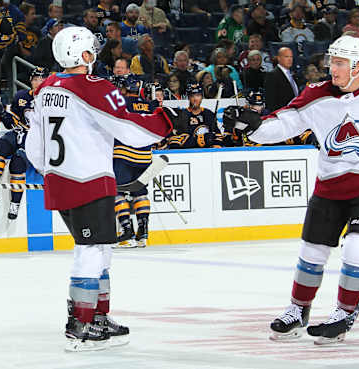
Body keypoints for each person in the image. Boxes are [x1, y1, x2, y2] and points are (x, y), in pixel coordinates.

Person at [223, 35, 359, 343]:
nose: (333, 69)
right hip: (329, 187)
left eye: (340, 63)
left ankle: (343, 313)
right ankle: (298, 309)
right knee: (311, 251)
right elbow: (286, 121)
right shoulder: (317, 94)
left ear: (357, 65)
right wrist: (253, 126)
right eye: (332, 61)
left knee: (357, 246)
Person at [24, 26, 180, 351]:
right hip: (88, 179)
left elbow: (34, 145)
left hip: (62, 180)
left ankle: (97, 316)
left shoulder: (46, 88)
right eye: (91, 49)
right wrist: (164, 122)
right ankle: (79, 325)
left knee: (102, 248)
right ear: (83, 54)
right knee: (92, 250)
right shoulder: (91, 87)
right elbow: (127, 124)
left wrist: (52, 172)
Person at [0, 67, 48, 219]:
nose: (38, 83)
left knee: (17, 163)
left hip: (37, 140)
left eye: (42, 80)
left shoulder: (50, 101)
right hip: (20, 134)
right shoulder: (21, 96)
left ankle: (14, 204)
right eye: (35, 79)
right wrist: (2, 113)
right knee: (1, 146)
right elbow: (11, 124)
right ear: (31, 81)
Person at [110, 75, 159, 248]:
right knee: (141, 193)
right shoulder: (151, 105)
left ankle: (126, 232)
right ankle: (143, 233)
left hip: (124, 154)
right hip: (145, 156)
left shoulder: (120, 102)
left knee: (118, 192)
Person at [167, 83, 221, 149]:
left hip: (207, 151)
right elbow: (174, 141)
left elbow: (217, 134)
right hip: (188, 153)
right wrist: (198, 141)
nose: (195, 99)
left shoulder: (209, 114)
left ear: (202, 97)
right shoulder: (182, 115)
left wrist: (216, 144)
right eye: (192, 96)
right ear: (189, 98)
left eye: (198, 95)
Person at [264, 47, 299, 112]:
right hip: (282, 115)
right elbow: (270, 102)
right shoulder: (272, 75)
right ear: (279, 58)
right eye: (286, 57)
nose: (289, 59)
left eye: (291, 57)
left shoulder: (293, 75)